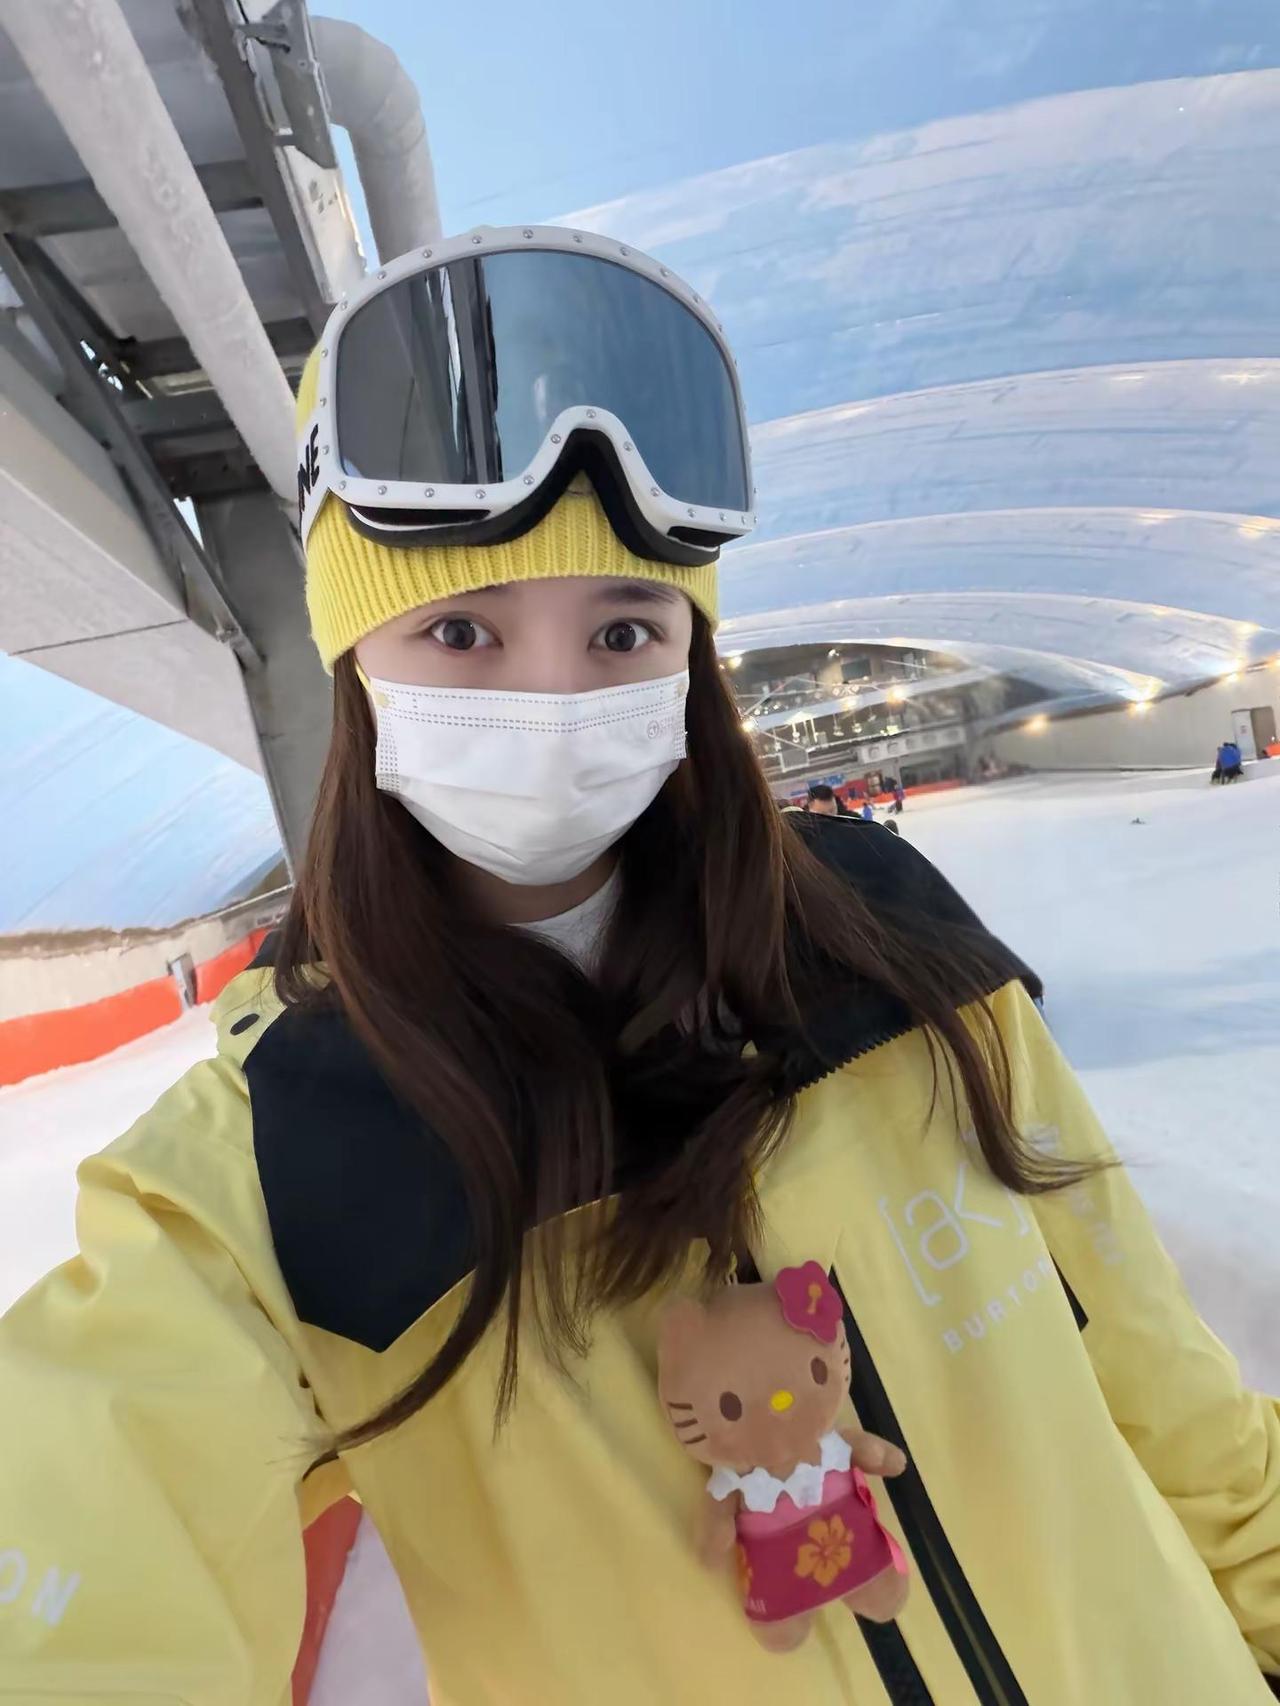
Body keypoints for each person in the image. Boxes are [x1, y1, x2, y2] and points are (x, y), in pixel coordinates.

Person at [2, 226, 1278, 1706]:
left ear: (691, 652)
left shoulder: (891, 934)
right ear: (356, 667)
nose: (555, 697)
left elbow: (1167, 1387)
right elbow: (87, 1524)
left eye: (621, 628)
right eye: (463, 632)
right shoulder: (277, 1160)